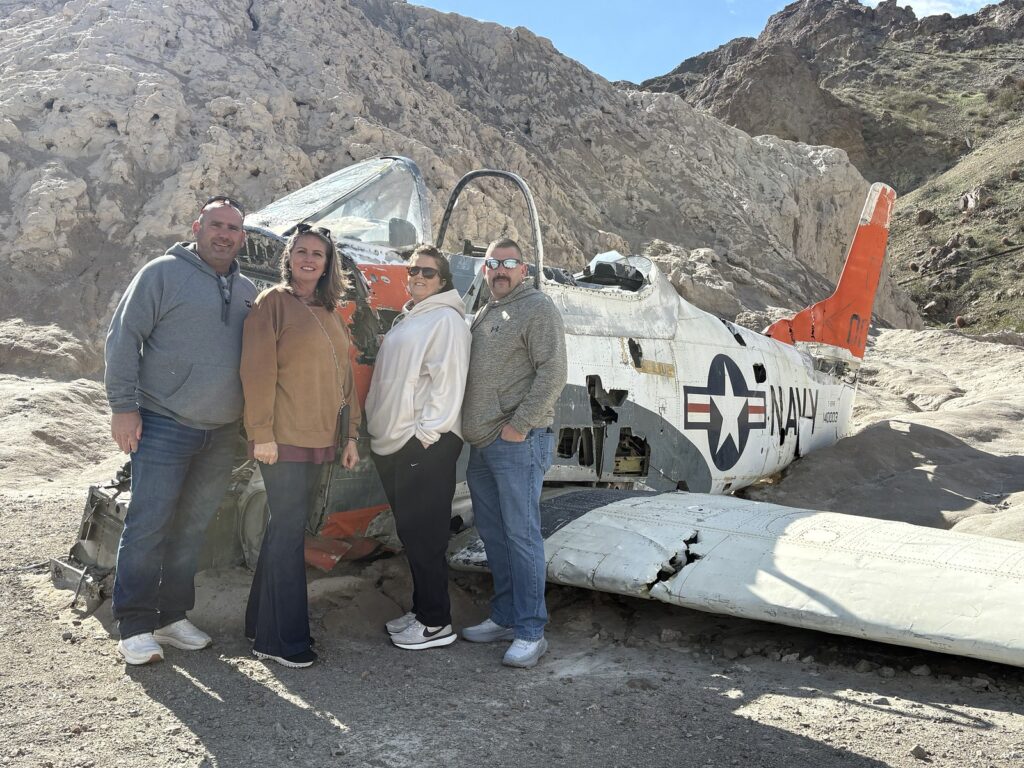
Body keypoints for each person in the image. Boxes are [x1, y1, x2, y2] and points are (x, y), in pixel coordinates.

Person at [105, 195, 257, 666]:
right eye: (216, 225)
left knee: (193, 528)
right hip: (164, 422)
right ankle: (133, 624)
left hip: (220, 432)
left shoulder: (249, 290)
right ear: (197, 226)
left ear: (242, 238)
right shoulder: (161, 274)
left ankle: (171, 617)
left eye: (233, 228)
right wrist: (122, 407)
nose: (224, 234)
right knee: (149, 523)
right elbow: (123, 337)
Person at [239, 223, 361, 668]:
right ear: (289, 257)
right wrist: (262, 433)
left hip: (320, 439)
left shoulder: (329, 311)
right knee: (290, 536)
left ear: (328, 265)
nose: (309, 259)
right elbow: (256, 370)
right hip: (283, 439)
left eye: (319, 254)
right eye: (302, 252)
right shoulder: (273, 303)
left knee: (282, 532)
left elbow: (344, 381)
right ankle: (282, 642)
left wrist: (349, 436)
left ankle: (259, 626)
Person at [460, 238, 567, 668]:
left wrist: (518, 427)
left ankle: (530, 630)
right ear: (485, 269)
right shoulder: (488, 310)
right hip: (482, 445)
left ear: (523, 269)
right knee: (494, 534)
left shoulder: (537, 308)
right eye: (493, 263)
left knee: (521, 536)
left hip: (515, 444)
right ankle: (504, 616)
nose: (500, 270)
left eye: (509, 263)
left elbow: (554, 371)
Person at [365, 244, 471, 651]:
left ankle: (436, 623)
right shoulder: (414, 316)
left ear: (443, 280)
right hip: (396, 442)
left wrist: (424, 438)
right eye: (413, 271)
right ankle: (423, 609)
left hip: (423, 444)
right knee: (413, 534)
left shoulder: (445, 320)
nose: (419, 277)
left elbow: (447, 384)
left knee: (426, 538)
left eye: (428, 272)